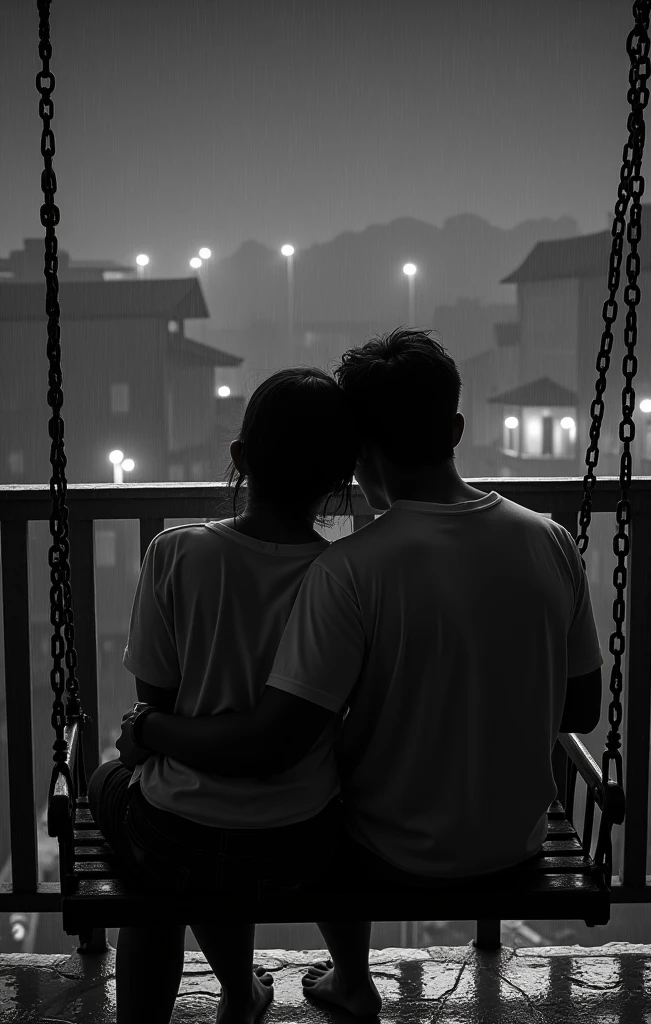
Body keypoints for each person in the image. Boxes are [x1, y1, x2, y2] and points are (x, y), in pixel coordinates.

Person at [120, 328, 604, 1017]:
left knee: (262, 811)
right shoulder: (550, 539)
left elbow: (275, 740)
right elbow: (579, 710)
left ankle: (264, 987)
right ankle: (347, 980)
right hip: (518, 840)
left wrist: (149, 729)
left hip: (389, 848)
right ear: (457, 427)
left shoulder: (351, 569)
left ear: (359, 453)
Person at [89, 366, 359, 1024]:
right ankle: (314, 983)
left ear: (241, 459)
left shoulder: (177, 552)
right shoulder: (346, 573)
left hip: (182, 837)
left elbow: (155, 701)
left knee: (112, 790)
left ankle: (239, 991)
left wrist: (149, 736)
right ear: (337, 481)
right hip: (302, 840)